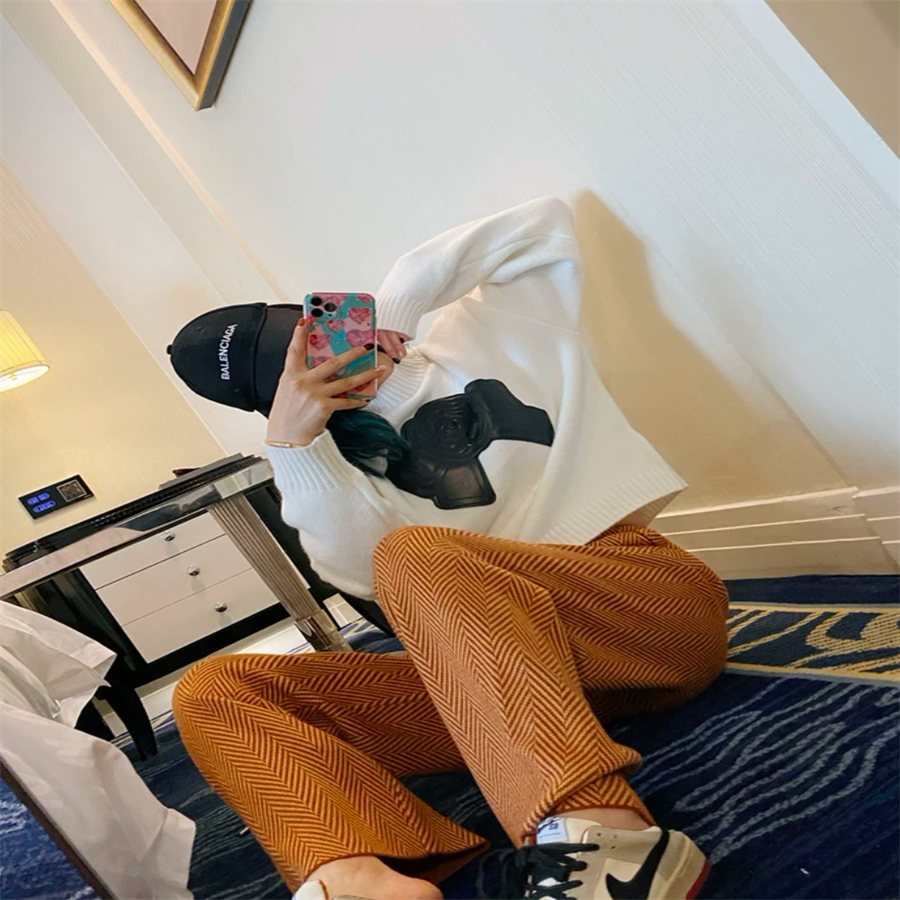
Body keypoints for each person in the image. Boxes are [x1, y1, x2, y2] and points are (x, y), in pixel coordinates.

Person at [168, 198, 728, 900]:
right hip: (507, 692)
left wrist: (397, 309)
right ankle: (357, 880)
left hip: (639, 612)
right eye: (292, 376)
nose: (331, 368)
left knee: (415, 554)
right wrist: (294, 447)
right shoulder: (334, 470)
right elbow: (366, 583)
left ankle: (606, 835)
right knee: (214, 690)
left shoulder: (485, 335)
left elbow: (543, 228)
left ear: (324, 320)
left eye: (311, 344)